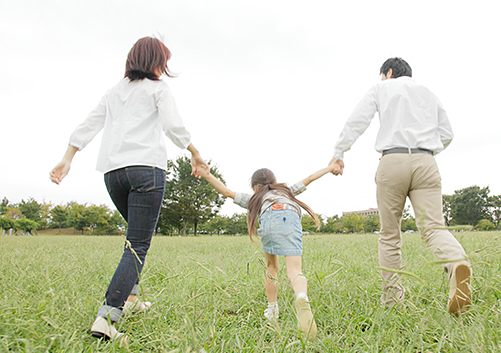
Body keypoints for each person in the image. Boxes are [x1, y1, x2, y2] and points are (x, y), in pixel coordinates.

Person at [49, 36, 209, 340]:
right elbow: (174, 126)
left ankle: (131, 299)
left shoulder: (114, 92)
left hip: (113, 174)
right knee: (138, 245)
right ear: (156, 62)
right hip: (146, 170)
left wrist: (67, 158)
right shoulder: (158, 88)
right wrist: (195, 152)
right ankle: (107, 318)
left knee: (133, 239)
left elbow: (89, 124)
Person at [329, 57, 472, 316]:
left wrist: (339, 152)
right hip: (426, 161)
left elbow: (357, 120)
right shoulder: (428, 92)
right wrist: (425, 152)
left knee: (390, 235)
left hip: (392, 159)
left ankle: (394, 301)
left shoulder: (382, 88)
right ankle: (457, 263)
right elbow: (447, 133)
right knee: (433, 228)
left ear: (389, 72)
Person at [196, 163, 339, 340]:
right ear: (274, 181)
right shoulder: (287, 191)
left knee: (272, 267)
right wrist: (329, 168)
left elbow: (226, 192)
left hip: (269, 217)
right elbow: (310, 178)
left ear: (254, 187)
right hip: (291, 216)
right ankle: (301, 296)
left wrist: (207, 175)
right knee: (295, 271)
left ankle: (272, 310)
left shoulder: (255, 198)